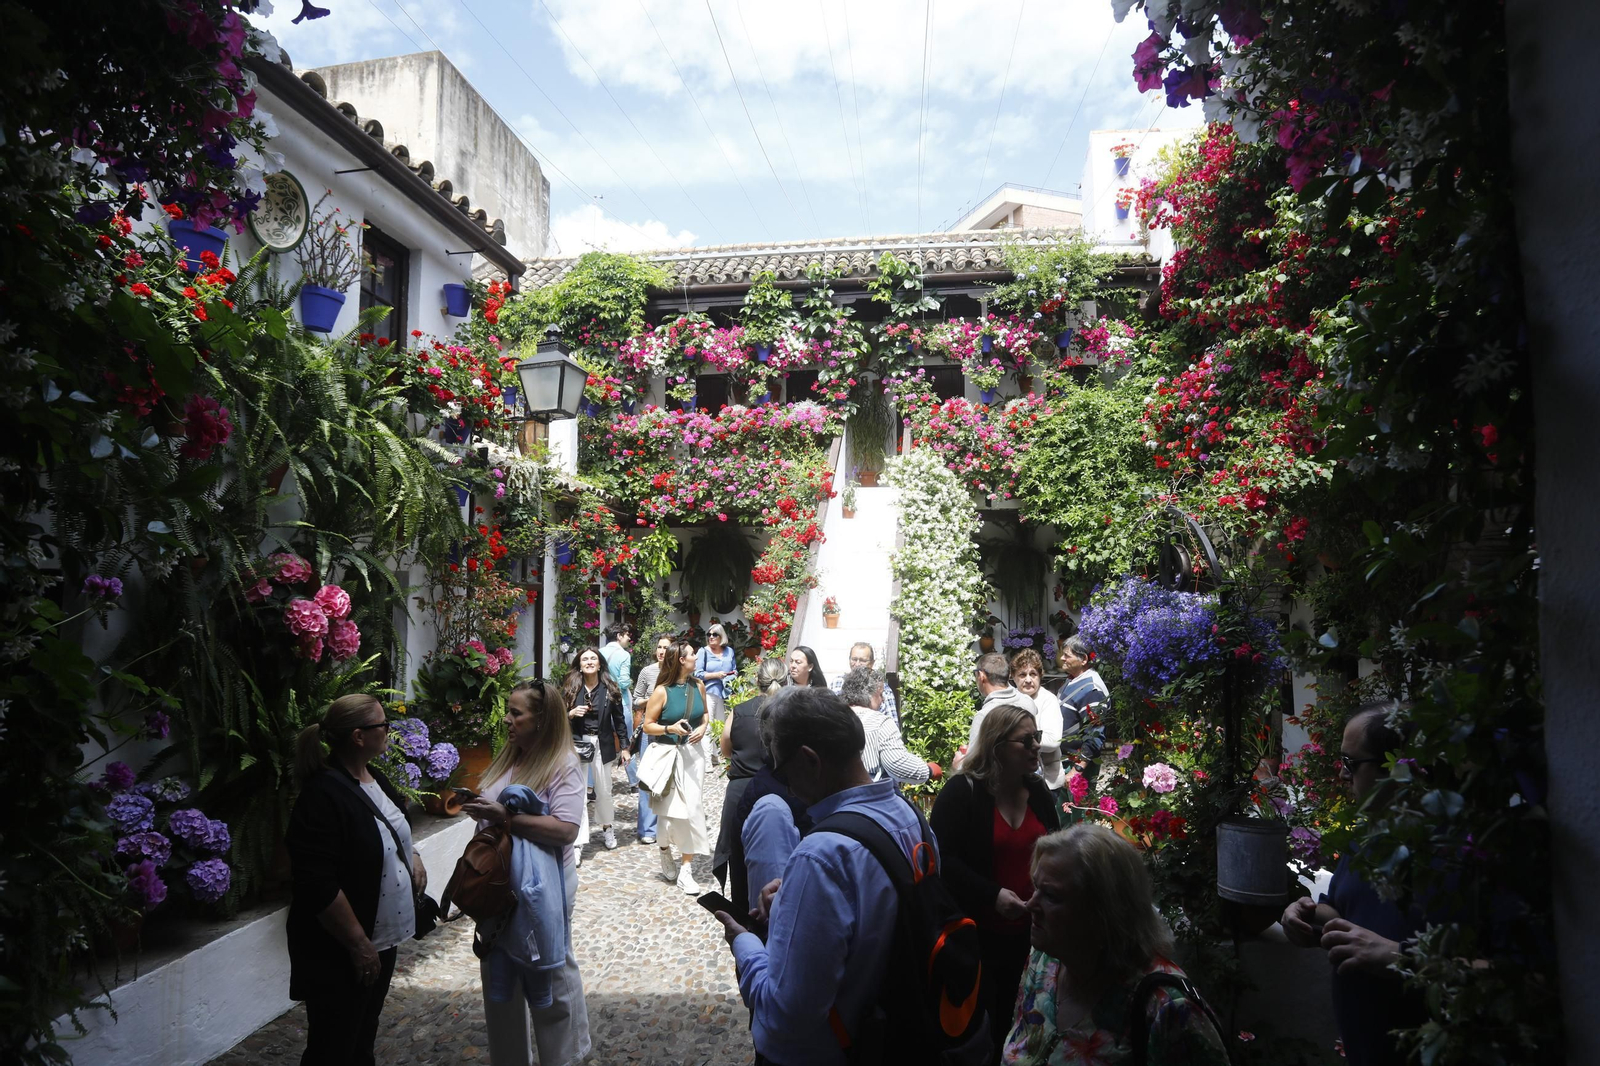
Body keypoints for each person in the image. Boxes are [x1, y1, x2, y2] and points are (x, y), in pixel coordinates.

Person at [712, 687, 933, 1065]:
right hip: (901, 1033)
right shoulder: (911, 818)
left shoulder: (823, 855)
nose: (786, 784)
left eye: (781, 769)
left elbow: (786, 1015)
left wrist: (745, 944)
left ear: (809, 761)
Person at [1003, 824, 1229, 1064]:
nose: (1030, 905)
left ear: (1103, 914)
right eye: (1036, 887)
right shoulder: (1043, 962)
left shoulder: (1167, 1008)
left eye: (1051, 896)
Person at [286, 694, 428, 1066]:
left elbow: (394, 823)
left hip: (380, 939)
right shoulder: (322, 795)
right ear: (358, 736)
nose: (389, 732)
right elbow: (317, 882)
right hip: (343, 948)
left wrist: (412, 855)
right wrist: (358, 944)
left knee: (363, 1032)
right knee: (333, 1044)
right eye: (383, 725)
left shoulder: (372, 775)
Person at [1280, 702, 1424, 1065]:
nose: (1342, 775)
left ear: (1397, 767)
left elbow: (1524, 979)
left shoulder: (1456, 854)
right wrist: (1306, 914)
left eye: (1351, 763)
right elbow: (1345, 912)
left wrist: (1398, 957)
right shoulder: (1368, 838)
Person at [461, 680, 592, 1066]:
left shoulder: (562, 764)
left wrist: (507, 818)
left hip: (545, 885)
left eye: (516, 712)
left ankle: (565, 1056)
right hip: (499, 881)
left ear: (541, 719)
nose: (508, 719)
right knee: (499, 973)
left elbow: (566, 831)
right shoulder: (509, 756)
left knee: (549, 970)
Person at [932, 703, 1061, 1054]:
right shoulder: (963, 792)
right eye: (1026, 740)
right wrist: (992, 895)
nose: (1036, 746)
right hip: (977, 938)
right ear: (997, 745)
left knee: (1025, 1021)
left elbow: (1056, 850)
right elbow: (942, 859)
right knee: (984, 1026)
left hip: (1032, 936)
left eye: (1037, 738)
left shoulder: (1037, 792)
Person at [713, 656, 788, 901]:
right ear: (786, 680)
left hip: (740, 791)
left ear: (757, 681)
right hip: (777, 790)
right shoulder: (790, 712)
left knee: (739, 861)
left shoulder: (740, 711)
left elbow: (726, 749)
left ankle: (743, 919)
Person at [640, 640, 711, 894]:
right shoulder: (661, 691)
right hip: (668, 755)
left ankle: (686, 870)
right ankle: (664, 850)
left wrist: (703, 728)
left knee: (692, 809)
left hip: (693, 757)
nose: (696, 656)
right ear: (682, 660)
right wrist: (669, 728)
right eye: (692, 654)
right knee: (668, 815)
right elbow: (647, 725)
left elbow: (704, 715)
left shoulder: (698, 686)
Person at [561, 646, 631, 854]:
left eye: (593, 658)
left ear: (600, 664)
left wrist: (625, 748)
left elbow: (619, 721)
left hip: (603, 744)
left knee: (604, 791)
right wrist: (571, 713)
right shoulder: (571, 688)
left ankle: (607, 827)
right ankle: (578, 842)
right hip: (577, 744)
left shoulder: (610, 689)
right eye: (585, 659)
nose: (589, 662)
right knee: (579, 794)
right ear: (580, 666)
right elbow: (557, 717)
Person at [838, 666, 937, 787]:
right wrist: (929, 770)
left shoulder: (831, 717)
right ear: (870, 694)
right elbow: (897, 765)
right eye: (880, 694)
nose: (883, 700)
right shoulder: (880, 722)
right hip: (868, 797)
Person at [956, 651, 1036, 771]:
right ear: (1008, 675)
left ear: (981, 676)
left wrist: (959, 764)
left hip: (1000, 782)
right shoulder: (1028, 702)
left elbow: (973, 764)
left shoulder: (984, 715)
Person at [630, 632, 672, 845]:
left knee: (668, 778)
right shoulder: (647, 672)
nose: (662, 651)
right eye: (659, 646)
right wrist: (653, 698)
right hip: (649, 729)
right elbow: (636, 700)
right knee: (647, 778)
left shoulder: (677, 672)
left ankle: (666, 827)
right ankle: (647, 828)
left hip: (670, 730)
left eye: (666, 647)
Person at [1012, 650, 1068, 805]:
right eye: (1022, 675)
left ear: (1040, 676)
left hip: (1046, 784)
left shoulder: (1048, 700)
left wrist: (1017, 739)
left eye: (1033, 674)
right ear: (1013, 677)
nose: (1028, 680)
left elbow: (1052, 741)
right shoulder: (1010, 700)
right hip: (1016, 783)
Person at [696, 622, 738, 765]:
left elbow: (735, 669)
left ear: (722, 636)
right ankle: (707, 760)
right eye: (709, 634)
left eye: (715, 634)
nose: (711, 637)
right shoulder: (703, 652)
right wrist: (715, 675)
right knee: (708, 725)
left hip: (725, 693)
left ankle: (717, 755)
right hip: (709, 691)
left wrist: (730, 676)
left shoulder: (729, 652)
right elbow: (697, 673)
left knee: (721, 724)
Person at [829, 641, 899, 724]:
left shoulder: (882, 688)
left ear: (872, 663)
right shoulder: (837, 683)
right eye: (854, 659)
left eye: (863, 660)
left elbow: (893, 722)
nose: (857, 664)